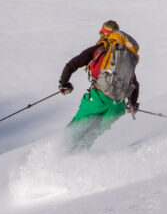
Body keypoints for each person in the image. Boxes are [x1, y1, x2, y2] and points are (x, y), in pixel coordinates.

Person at [58, 20, 140, 151]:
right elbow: (135, 84)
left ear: (102, 33)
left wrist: (63, 83)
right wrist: (133, 104)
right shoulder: (125, 57)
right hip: (117, 107)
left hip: (98, 99)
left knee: (72, 132)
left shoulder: (98, 50)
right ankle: (78, 162)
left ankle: (57, 158)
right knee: (90, 137)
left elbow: (71, 65)